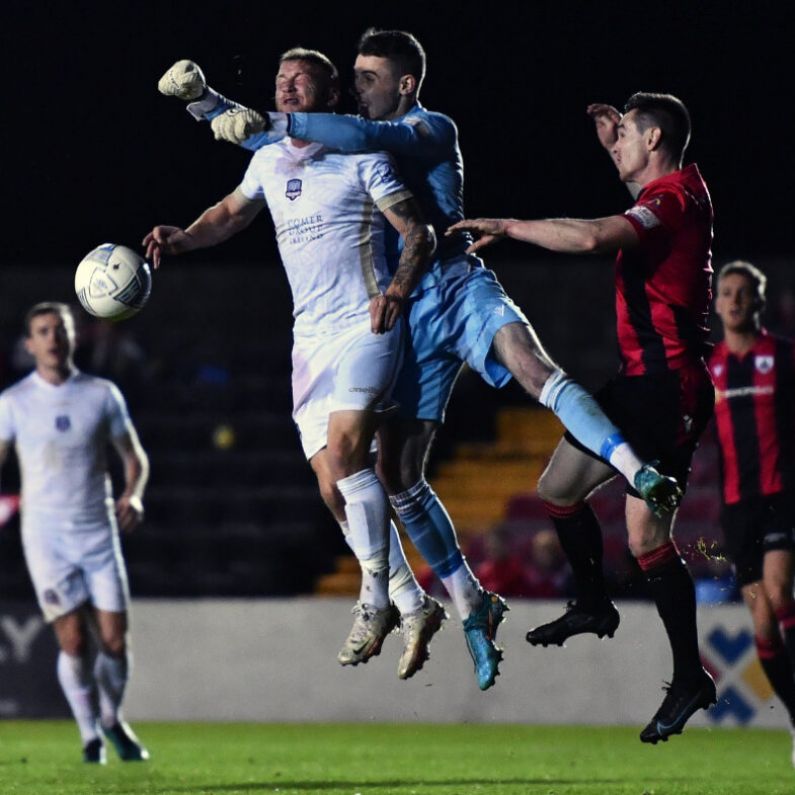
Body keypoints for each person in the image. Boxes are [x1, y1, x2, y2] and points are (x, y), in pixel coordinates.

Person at [158, 31, 679, 691]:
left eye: (369, 77)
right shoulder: (345, 138)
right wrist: (204, 102)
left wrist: (253, 116)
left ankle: (638, 468)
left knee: (532, 370)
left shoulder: (422, 127)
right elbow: (271, 146)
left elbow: (299, 129)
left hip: (448, 287)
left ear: (403, 83)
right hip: (403, 314)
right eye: (355, 76)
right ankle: (466, 604)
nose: (361, 86)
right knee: (394, 474)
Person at [147, 48, 444, 681]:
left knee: (346, 457)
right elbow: (229, 215)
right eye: (278, 79)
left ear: (330, 93)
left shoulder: (364, 157)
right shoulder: (267, 159)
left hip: (365, 324)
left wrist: (398, 291)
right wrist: (182, 236)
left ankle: (373, 599)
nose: (284, 88)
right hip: (307, 340)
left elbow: (419, 232)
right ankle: (412, 604)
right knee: (330, 485)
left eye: (298, 79)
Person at [449, 92, 717, 742]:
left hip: (665, 387)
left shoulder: (675, 196)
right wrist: (615, 150)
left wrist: (510, 226)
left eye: (625, 132)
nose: (615, 139)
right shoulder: (671, 191)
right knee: (601, 513)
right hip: (649, 384)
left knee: (601, 513)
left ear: (654, 138)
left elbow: (598, 235)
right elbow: (634, 197)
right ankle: (634, 634)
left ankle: (646, 644)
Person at [0, 303, 149, 763]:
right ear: (30, 344)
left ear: (73, 337)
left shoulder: (101, 394)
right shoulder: (14, 402)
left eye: (59, 329)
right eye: (42, 331)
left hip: (98, 528)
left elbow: (134, 457)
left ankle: (110, 717)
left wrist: (135, 494)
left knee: (115, 641)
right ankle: (90, 736)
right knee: (75, 641)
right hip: (46, 536)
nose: (52, 338)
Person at [710, 260, 795, 765]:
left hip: (782, 495)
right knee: (763, 625)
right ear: (717, 303)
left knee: (781, 593)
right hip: (736, 508)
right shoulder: (709, 369)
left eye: (745, 292)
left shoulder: (783, 358)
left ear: (758, 302)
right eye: (728, 292)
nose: (736, 300)